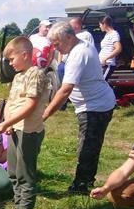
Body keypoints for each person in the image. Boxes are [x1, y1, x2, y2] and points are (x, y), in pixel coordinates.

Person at [43, 21, 116, 195]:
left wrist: (45, 114)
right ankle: (85, 180)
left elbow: (65, 90)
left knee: (87, 147)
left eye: (57, 43)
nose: (55, 48)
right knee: (89, 144)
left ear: (69, 37)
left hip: (96, 107)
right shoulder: (77, 45)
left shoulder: (78, 53)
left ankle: (81, 185)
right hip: (93, 104)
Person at [0, 36, 49, 209]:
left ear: (25, 54)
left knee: (25, 175)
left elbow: (30, 105)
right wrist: (8, 123)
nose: (10, 64)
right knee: (13, 172)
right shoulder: (17, 76)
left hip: (29, 132)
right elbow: (11, 102)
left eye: (12, 59)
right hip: (14, 130)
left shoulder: (35, 74)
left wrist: (8, 121)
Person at [98, 15, 121, 80]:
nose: (99, 26)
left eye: (100, 25)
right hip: (103, 65)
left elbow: (118, 49)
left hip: (108, 64)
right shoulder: (107, 34)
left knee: (101, 84)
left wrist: (105, 59)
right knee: (100, 85)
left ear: (104, 24)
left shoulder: (114, 34)